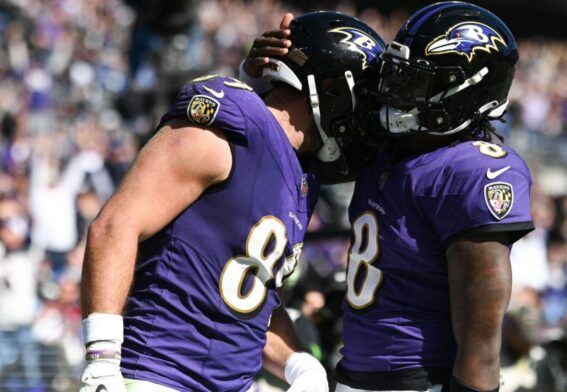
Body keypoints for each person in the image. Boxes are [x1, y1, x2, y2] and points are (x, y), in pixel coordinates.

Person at [79, 12, 385, 392]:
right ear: (331, 90)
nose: (369, 122)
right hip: (159, 375)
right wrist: (102, 358)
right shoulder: (233, 124)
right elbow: (114, 225)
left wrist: (300, 364)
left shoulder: (303, 173)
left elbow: (250, 303)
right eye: (364, 104)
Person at [242, 3, 534, 391]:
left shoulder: (475, 169)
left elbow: (481, 334)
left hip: (420, 379)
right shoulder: (386, 148)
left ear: (465, 93)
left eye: (416, 82)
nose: (395, 90)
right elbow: (286, 149)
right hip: (355, 373)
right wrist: (270, 76)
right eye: (397, 74)